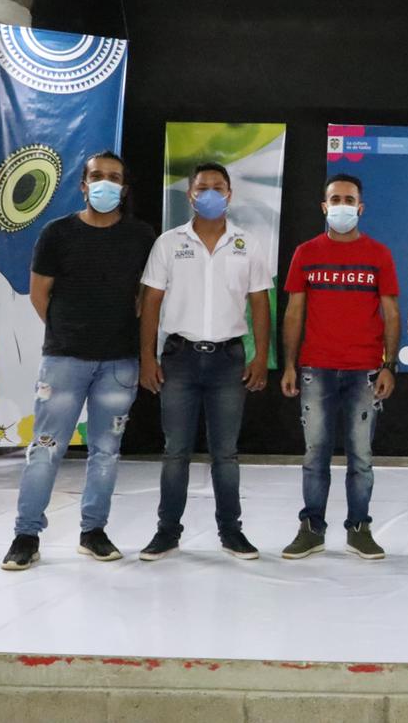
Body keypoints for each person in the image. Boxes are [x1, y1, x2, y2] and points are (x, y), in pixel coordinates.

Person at [1, 152, 156, 571]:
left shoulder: (142, 237)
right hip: (65, 361)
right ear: (83, 185)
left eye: (114, 177)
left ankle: (93, 531)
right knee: (46, 450)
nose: (106, 183)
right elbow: (39, 294)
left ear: (124, 187)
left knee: (106, 452)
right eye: (97, 177)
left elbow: (146, 297)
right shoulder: (57, 233)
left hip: (119, 364)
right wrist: (69, 333)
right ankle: (26, 535)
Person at [137, 162, 271, 561]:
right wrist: (147, 357)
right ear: (190, 195)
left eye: (218, 187)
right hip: (179, 357)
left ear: (230, 194)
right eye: (202, 187)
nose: (209, 193)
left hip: (229, 359)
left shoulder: (247, 243)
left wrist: (261, 356)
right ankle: (167, 532)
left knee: (225, 454)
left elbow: (260, 304)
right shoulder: (168, 243)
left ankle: (231, 532)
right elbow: (150, 304)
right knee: (175, 450)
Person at [279, 174, 399, 560]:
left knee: (361, 457)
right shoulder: (305, 253)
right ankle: (311, 528)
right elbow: (294, 312)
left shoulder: (379, 254)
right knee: (315, 454)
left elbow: (391, 313)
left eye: (350, 199)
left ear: (361, 208)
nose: (343, 205)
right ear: (324, 206)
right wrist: (289, 366)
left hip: (365, 371)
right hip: (316, 370)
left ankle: (359, 529)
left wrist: (389, 366)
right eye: (336, 199)